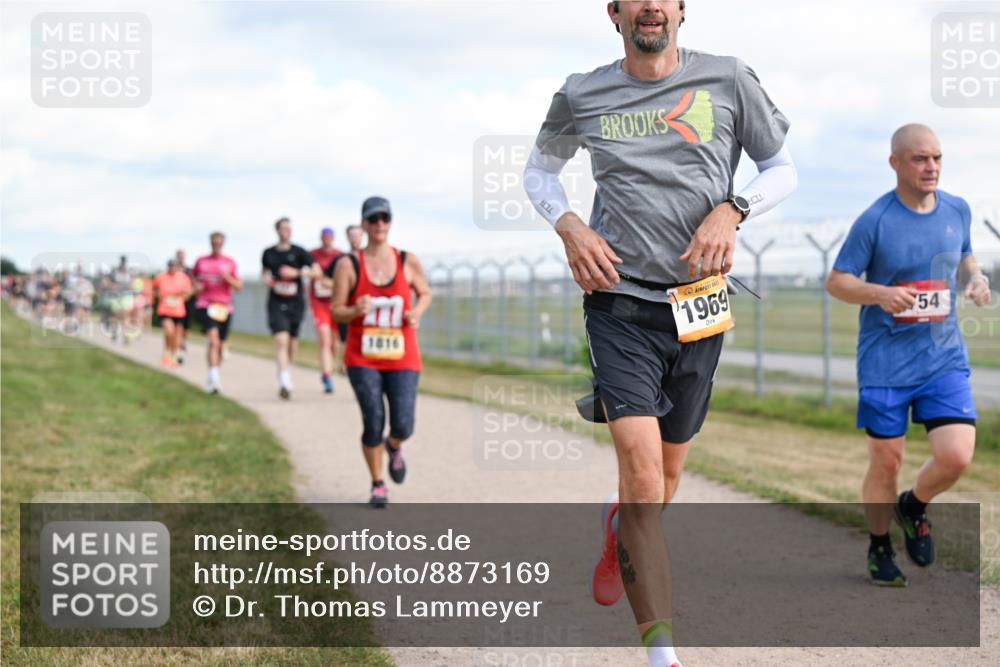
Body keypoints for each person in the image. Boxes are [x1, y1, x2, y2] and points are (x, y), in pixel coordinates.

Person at [524, 2, 797, 665]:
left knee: (666, 477)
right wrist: (570, 226)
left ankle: (621, 527)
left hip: (699, 309)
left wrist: (734, 209)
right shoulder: (582, 91)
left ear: (680, 10)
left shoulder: (729, 79)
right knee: (644, 477)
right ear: (613, 12)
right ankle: (663, 653)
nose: (651, 5)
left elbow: (782, 169)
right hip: (618, 305)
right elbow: (539, 171)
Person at [826, 123, 992, 587]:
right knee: (887, 461)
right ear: (896, 163)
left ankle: (913, 506)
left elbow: (964, 256)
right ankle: (880, 544)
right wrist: (879, 293)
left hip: (942, 358)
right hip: (885, 362)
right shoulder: (875, 220)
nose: (931, 167)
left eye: (937, 158)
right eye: (920, 159)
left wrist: (975, 279)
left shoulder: (957, 208)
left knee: (957, 455)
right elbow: (837, 281)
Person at [331, 196, 432, 508]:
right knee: (373, 420)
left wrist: (416, 312)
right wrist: (353, 310)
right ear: (363, 223)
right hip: (363, 356)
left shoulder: (407, 260)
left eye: (384, 218)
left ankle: (394, 444)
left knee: (403, 423)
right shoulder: (349, 264)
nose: (379, 224)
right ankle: (377, 483)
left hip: (403, 355)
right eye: (372, 219)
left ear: (390, 222)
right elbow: (335, 310)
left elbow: (425, 292)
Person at [261, 217, 320, 400]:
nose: (287, 231)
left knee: (292, 343)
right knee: (281, 340)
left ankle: (287, 369)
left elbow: (317, 272)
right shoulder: (268, 253)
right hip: (276, 301)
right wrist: (267, 280)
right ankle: (284, 380)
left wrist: (298, 272)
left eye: (289, 228)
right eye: (283, 228)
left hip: (296, 302)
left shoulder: (300, 252)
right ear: (277, 230)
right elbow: (264, 272)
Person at [193, 232, 242, 394]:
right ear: (210, 243)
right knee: (213, 340)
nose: (216, 245)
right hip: (206, 305)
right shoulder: (201, 261)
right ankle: (215, 381)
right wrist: (197, 287)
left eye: (219, 242)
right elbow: (194, 281)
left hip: (225, 307)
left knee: (220, 345)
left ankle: (212, 374)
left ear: (223, 244)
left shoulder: (230, 263)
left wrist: (228, 278)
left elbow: (239, 286)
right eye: (214, 242)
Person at [309, 227, 343, 393]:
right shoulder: (311, 255)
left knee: (334, 341)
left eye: (329, 237)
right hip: (318, 302)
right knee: (324, 337)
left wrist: (326, 281)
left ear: (333, 238)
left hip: (335, 302)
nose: (326, 239)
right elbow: (304, 271)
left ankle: (330, 365)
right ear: (321, 238)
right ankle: (327, 375)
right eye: (324, 237)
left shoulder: (340, 256)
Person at [152, 259, 193, 368]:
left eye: (174, 266)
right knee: (169, 331)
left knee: (177, 336)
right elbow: (154, 289)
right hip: (164, 310)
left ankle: (173, 356)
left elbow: (188, 293)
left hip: (178, 311)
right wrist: (158, 295)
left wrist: (180, 298)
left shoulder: (184, 278)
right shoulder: (160, 276)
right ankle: (167, 352)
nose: (172, 268)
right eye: (170, 265)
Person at [176, 249, 195, 365]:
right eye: (179, 256)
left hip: (188, 302)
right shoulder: (173, 269)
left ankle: (183, 342)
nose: (181, 258)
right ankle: (179, 349)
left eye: (182, 256)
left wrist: (189, 294)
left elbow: (195, 285)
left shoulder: (190, 271)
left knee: (186, 327)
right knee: (178, 326)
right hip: (176, 303)